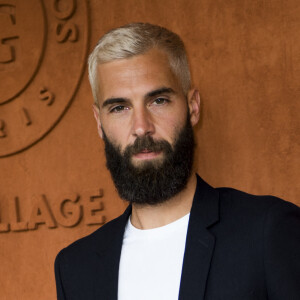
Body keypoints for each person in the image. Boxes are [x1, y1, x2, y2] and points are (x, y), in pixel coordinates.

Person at [54, 23, 300, 300]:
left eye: (158, 100)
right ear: (99, 122)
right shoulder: (75, 267)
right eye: (120, 108)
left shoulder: (268, 231)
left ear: (193, 106)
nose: (141, 127)